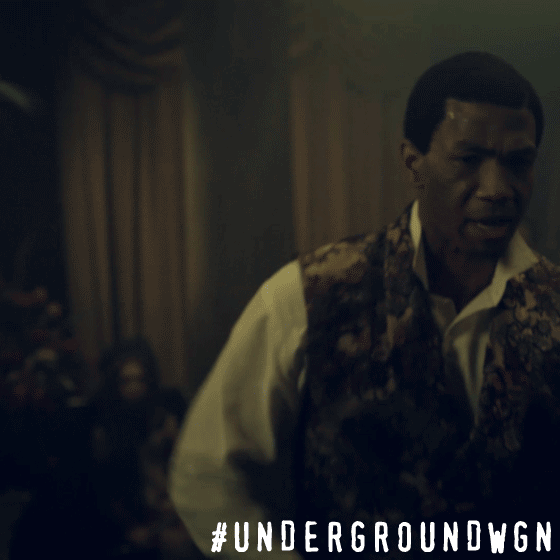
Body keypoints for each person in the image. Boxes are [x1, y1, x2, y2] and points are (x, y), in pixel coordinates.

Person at [169, 52, 560, 558]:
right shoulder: (311, 293)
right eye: (468, 159)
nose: (497, 188)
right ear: (413, 163)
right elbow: (204, 473)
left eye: (518, 162)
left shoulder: (553, 304)